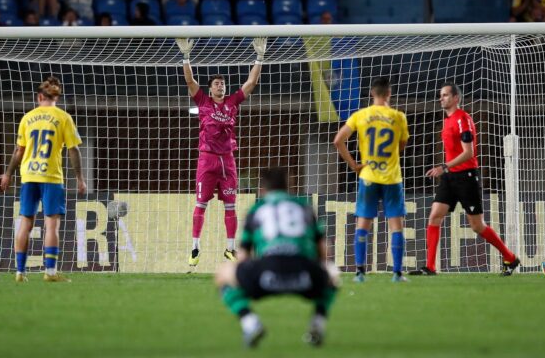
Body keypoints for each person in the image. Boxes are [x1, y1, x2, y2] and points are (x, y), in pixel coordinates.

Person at [213, 167, 339, 348]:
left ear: (262, 190)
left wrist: (250, 272)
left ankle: (250, 322)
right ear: (290, 187)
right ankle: (317, 323)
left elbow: (242, 256)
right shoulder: (304, 206)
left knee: (224, 273)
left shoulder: (256, 209)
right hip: (304, 277)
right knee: (332, 271)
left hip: (266, 276)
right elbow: (325, 252)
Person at [410, 83, 520, 276]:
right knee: (435, 216)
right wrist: (446, 170)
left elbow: (469, 153)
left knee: (477, 225)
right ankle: (430, 267)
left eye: (445, 95)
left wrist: (444, 166)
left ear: (456, 98)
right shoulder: (447, 121)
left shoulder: (463, 119)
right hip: (450, 177)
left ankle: (510, 257)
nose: (441, 98)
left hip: (466, 177)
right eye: (440, 95)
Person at [175, 37, 266, 268]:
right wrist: (186, 57)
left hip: (228, 160)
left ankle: (230, 248)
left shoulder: (233, 102)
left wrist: (259, 57)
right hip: (207, 160)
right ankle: (195, 246)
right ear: (210, 87)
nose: (220, 85)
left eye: (222, 83)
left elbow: (250, 84)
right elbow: (189, 80)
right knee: (201, 204)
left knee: (230, 205)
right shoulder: (203, 101)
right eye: (216, 83)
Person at [0, 76, 86, 282]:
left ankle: (20, 272)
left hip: (28, 176)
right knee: (51, 225)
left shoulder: (27, 118)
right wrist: (80, 178)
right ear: (55, 97)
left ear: (39, 97)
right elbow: (73, 150)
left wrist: (8, 173)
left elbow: (18, 151)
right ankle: (50, 272)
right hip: (51, 176)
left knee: (25, 223)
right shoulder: (63, 117)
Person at [333, 77, 410, 283]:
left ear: (371, 93)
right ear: (389, 94)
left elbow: (338, 140)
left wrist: (354, 165)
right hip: (392, 177)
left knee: (363, 224)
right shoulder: (398, 117)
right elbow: (402, 145)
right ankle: (397, 273)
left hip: (368, 176)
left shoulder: (361, 115)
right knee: (396, 225)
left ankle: (359, 273)